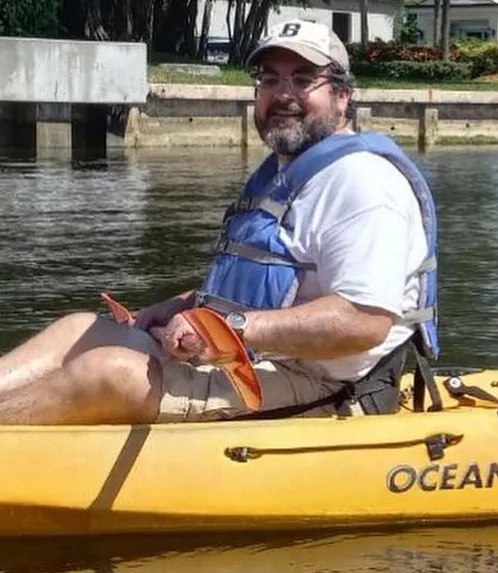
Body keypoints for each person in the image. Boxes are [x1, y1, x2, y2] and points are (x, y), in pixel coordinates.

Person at [0, 19, 439, 424]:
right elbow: (279, 282)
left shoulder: (363, 184)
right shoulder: (286, 174)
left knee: (110, 372)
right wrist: (183, 307)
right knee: (82, 329)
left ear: (342, 96)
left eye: (303, 80)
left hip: (330, 390)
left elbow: (363, 320)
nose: (282, 94)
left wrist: (232, 330)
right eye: (269, 79)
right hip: (257, 364)